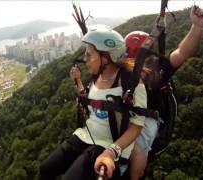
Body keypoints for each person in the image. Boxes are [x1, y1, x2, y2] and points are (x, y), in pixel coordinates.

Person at [38, 26, 147, 180]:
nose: (85, 59)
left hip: (106, 144)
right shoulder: (97, 78)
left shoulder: (131, 83)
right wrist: (77, 81)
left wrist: (112, 151)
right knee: (46, 169)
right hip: (85, 136)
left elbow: (137, 125)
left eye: (89, 55)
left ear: (106, 57)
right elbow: (90, 101)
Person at [127, 5, 203, 180]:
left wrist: (197, 27)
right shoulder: (123, 70)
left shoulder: (157, 68)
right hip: (129, 115)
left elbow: (182, 52)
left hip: (149, 118)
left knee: (137, 147)